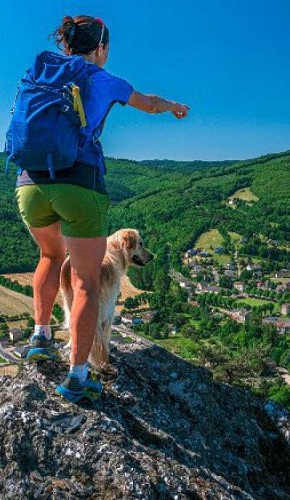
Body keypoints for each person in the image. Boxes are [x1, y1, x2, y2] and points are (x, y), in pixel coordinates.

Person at [15, 15, 189, 403]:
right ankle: (78, 377)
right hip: (78, 182)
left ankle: (40, 337)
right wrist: (174, 106)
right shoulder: (104, 78)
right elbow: (149, 103)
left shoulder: (44, 71)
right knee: (86, 281)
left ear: (67, 44)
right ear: (101, 48)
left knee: (48, 255)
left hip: (29, 181)